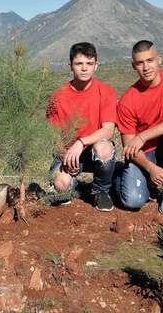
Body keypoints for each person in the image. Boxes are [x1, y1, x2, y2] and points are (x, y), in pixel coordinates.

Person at [115, 40, 163, 214]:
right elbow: (130, 145)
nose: (146, 67)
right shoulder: (128, 100)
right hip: (144, 156)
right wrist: (151, 168)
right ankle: (121, 173)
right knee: (133, 201)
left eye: (150, 60)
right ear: (133, 66)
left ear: (159, 59)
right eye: (140, 63)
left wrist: (142, 136)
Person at [45, 42, 117, 211]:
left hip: (93, 149)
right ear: (70, 66)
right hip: (69, 153)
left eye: (89, 64)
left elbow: (108, 130)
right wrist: (64, 156)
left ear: (96, 66)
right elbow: (53, 134)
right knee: (61, 186)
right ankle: (73, 183)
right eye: (79, 64)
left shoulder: (105, 91)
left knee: (104, 148)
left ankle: (101, 191)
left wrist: (81, 142)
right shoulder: (58, 95)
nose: (84, 68)